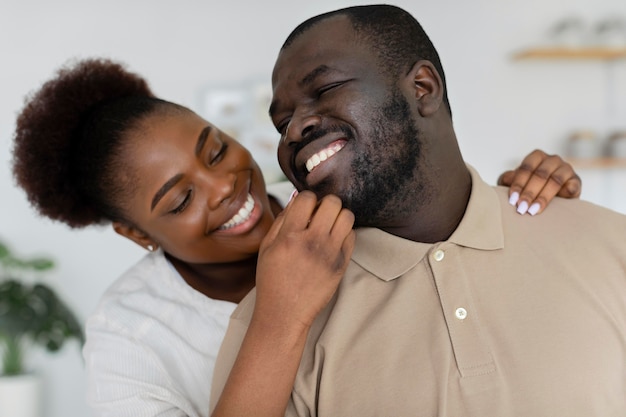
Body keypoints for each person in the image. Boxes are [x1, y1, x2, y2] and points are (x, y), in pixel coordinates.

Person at [11, 58, 578, 417]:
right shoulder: (131, 335)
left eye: (215, 149)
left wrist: (526, 204)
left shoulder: (350, 203)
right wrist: (279, 316)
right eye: (181, 199)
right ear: (137, 234)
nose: (227, 187)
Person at [210, 5, 626, 417]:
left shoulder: (609, 243)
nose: (294, 130)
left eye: (324, 90)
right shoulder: (272, 321)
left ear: (423, 88)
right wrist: (280, 323)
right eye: (282, 124)